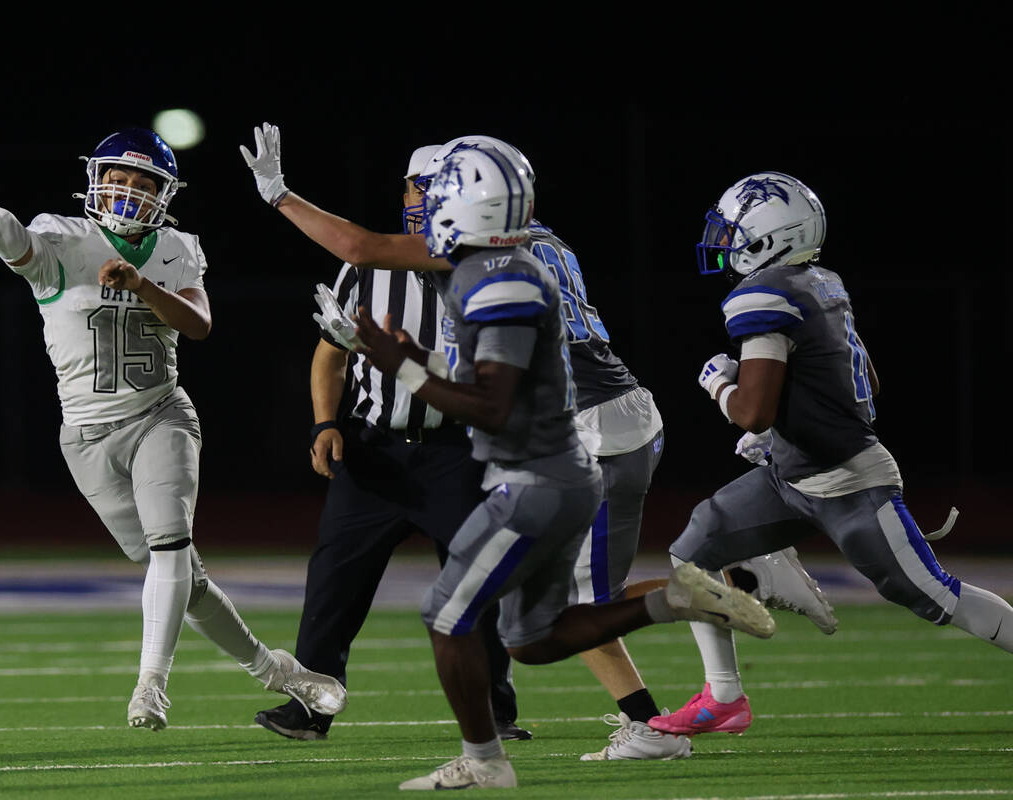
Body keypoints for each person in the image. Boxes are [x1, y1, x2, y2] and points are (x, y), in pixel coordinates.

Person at [241, 125, 835, 761]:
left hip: (584, 435)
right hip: (610, 422)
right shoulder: (537, 244)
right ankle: (685, 662)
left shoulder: (489, 258)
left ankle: (709, 618)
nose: (431, 202)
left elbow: (364, 250)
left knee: (549, 614)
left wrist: (280, 197)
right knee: (544, 615)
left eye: (443, 188)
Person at [0, 126, 347, 732]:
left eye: (145, 182)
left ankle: (151, 687)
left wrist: (143, 285)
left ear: (165, 193)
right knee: (183, 581)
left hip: (160, 416)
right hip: (85, 438)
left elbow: (198, 326)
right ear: (97, 177)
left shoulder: (176, 248)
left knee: (169, 547)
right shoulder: (63, 239)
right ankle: (275, 669)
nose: (129, 189)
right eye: (120, 176)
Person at [649, 171, 1013, 737]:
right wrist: (779, 438)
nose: (722, 241)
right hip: (792, 477)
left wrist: (719, 383)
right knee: (692, 550)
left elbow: (752, 411)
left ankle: (774, 568)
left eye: (732, 230)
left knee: (936, 595)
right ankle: (722, 699)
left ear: (767, 235)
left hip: (851, 484)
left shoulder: (766, 295)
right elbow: (840, 381)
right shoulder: (818, 283)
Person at [253, 146, 530, 743]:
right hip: (374, 448)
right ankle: (311, 706)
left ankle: (495, 712)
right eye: (411, 188)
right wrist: (325, 424)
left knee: (476, 582)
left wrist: (279, 193)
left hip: (458, 450)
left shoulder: (490, 264)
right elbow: (330, 355)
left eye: (427, 188)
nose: (415, 200)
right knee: (334, 582)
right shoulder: (370, 270)